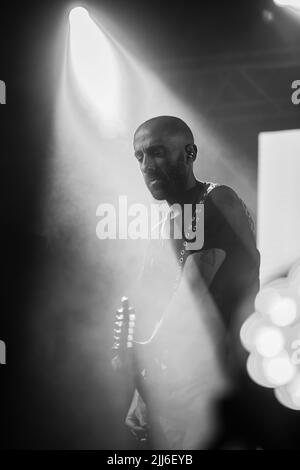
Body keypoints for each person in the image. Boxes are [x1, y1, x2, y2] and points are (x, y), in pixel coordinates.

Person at [122, 116, 260, 450]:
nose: (146, 165)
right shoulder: (163, 226)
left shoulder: (217, 200)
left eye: (156, 152)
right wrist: (143, 390)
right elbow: (147, 304)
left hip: (221, 387)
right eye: (139, 157)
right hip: (178, 386)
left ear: (190, 153)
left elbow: (192, 293)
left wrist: (148, 362)